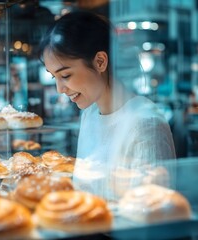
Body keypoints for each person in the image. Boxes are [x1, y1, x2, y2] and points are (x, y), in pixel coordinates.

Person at [38, 10, 176, 200]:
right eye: (54, 77)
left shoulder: (146, 124)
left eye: (65, 75)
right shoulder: (90, 113)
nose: (60, 88)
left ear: (100, 62)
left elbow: (151, 212)